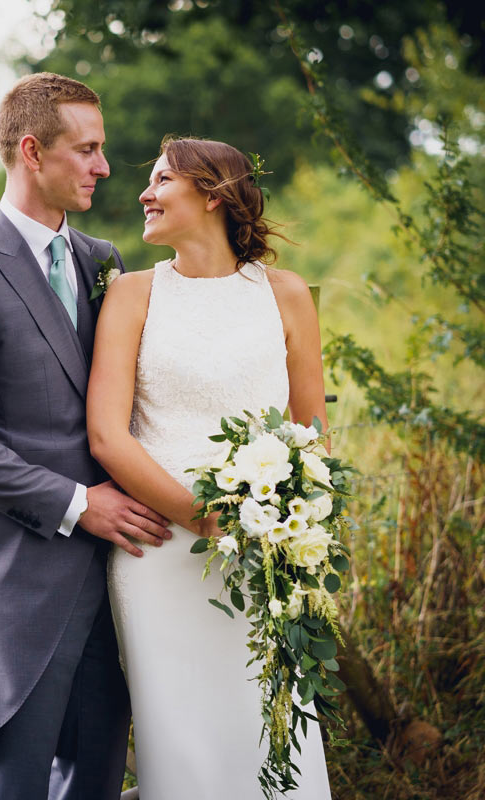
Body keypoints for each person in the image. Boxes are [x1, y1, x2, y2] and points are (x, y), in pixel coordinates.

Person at [0, 73, 173, 800]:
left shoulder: (104, 262)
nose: (103, 168)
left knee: (94, 779)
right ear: (32, 151)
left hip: (123, 575)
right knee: (16, 786)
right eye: (86, 150)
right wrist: (77, 503)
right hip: (25, 582)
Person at [86, 136, 334, 799]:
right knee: (181, 738)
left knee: (272, 723)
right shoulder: (132, 294)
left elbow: (311, 431)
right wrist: (207, 518)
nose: (144, 192)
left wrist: (293, 526)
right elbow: (108, 436)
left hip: (264, 555)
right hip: (160, 552)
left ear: (214, 194)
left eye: (162, 179)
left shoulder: (284, 294)